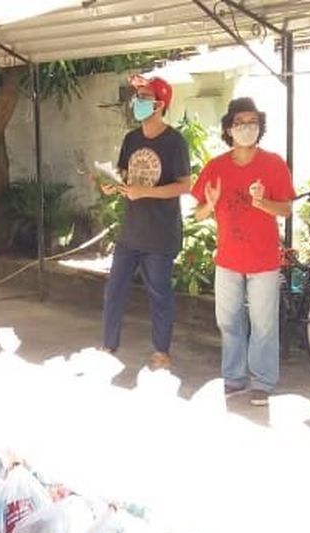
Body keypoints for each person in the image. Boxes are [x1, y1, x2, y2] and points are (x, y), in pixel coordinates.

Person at [192, 97, 295, 406]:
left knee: (264, 324)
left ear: (260, 127)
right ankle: (234, 378)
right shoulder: (216, 167)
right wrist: (209, 203)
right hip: (228, 259)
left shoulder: (273, 164)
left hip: (263, 260)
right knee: (228, 321)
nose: (247, 128)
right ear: (229, 129)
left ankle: (263, 382)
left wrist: (263, 203)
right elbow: (197, 213)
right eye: (240, 123)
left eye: (252, 123)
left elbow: (287, 209)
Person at [100, 74, 191, 370]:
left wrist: (147, 192)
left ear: (160, 104)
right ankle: (108, 344)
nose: (137, 102)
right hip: (131, 232)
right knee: (114, 289)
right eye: (137, 96)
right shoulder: (131, 139)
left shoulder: (175, 141)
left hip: (160, 235)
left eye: (144, 97)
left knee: (159, 295)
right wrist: (113, 184)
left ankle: (161, 351)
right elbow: (125, 174)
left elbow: (184, 185)